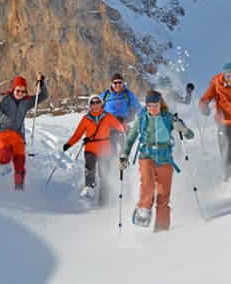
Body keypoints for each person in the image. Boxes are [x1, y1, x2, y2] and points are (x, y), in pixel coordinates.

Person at [119, 91, 194, 232]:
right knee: (147, 184)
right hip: (147, 157)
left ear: (160, 104)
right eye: (148, 105)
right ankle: (143, 209)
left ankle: (162, 230)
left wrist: (182, 129)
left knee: (163, 196)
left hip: (165, 160)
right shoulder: (142, 119)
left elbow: (190, 135)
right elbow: (130, 139)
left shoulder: (169, 118)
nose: (152, 108)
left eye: (154, 105)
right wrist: (124, 155)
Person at [0, 74, 47, 190]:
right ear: (13, 89)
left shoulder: (27, 102)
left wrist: (41, 83)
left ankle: (18, 189)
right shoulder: (4, 99)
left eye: (23, 92)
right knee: (5, 156)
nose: (20, 94)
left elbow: (44, 95)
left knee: (20, 163)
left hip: (17, 137)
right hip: (2, 134)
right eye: (18, 91)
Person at [63, 94, 123, 206]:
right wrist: (69, 144)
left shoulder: (108, 116)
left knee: (104, 174)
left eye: (97, 102)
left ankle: (103, 201)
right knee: (90, 165)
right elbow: (77, 134)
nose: (95, 105)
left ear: (101, 104)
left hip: (105, 149)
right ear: (90, 105)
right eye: (93, 103)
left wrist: (124, 125)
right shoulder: (86, 119)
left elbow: (121, 127)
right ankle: (89, 189)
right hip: (91, 148)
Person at [100, 73, 142, 153]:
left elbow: (138, 107)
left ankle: (122, 164)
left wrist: (148, 115)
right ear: (111, 84)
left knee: (125, 149)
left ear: (123, 83)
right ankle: (108, 164)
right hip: (109, 127)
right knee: (110, 151)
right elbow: (96, 107)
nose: (118, 85)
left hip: (123, 125)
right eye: (115, 83)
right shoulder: (106, 95)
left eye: (120, 82)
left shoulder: (127, 94)